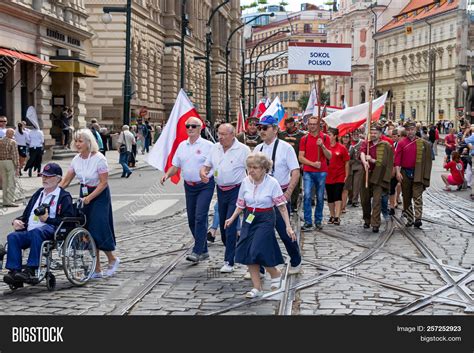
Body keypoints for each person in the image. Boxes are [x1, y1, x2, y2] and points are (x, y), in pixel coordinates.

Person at [224, 153, 296, 298]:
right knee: (247, 252)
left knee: (256, 249)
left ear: (264, 168)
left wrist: (288, 226)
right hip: (249, 218)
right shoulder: (245, 182)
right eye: (249, 167)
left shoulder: (272, 183)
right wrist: (232, 218)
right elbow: (241, 204)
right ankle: (257, 288)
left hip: (266, 218)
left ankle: (275, 273)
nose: (251, 170)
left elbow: (281, 206)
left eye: (255, 167)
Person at [59, 129, 119, 278]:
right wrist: (53, 193)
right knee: (87, 231)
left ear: (88, 142)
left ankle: (112, 259)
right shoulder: (76, 159)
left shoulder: (99, 158)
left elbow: (104, 183)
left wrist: (90, 198)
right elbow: (66, 181)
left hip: (99, 195)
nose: (78, 144)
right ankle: (96, 268)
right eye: (76, 141)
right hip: (84, 193)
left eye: (81, 141)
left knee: (98, 227)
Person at [2, 163, 75, 286]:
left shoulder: (63, 196)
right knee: (13, 236)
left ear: (58, 179)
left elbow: (68, 221)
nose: (44, 179)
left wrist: (48, 220)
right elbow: (26, 215)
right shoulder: (38, 193)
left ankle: (31, 269)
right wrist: (17, 221)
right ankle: (14, 272)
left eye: (48, 176)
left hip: (51, 230)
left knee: (37, 232)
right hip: (30, 230)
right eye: (43, 176)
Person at [161, 117, 214, 263]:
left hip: (205, 185)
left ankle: (197, 251)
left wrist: (206, 173)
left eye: (193, 126)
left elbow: (214, 164)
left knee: (200, 216)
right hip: (189, 186)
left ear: (200, 128)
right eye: (188, 126)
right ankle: (203, 250)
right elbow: (176, 166)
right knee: (191, 220)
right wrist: (167, 174)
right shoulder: (182, 146)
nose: (190, 128)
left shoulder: (208, 145)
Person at [200, 123, 250, 273]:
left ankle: (229, 261)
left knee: (230, 224)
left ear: (232, 135)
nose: (220, 137)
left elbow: (252, 169)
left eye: (223, 134)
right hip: (220, 190)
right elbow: (207, 165)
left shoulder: (243, 150)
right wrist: (203, 172)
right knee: (223, 226)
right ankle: (232, 247)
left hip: (237, 190)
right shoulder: (215, 148)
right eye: (218, 134)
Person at [255, 115, 302, 274]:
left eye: (265, 128)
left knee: (283, 231)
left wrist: (288, 193)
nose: (261, 131)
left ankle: (296, 261)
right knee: (259, 232)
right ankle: (259, 267)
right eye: (260, 127)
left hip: (280, 194)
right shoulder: (258, 149)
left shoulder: (285, 147)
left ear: (275, 130)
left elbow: (295, 171)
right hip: (261, 196)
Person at [394, 122, 432, 228]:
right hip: (405, 173)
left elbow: (428, 159)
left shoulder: (422, 143)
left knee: (417, 195)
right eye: (408, 130)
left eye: (412, 129)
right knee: (406, 197)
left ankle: (418, 218)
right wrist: (397, 172)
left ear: (415, 130)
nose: (411, 131)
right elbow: (397, 159)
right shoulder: (401, 143)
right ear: (406, 131)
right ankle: (410, 218)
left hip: (418, 173)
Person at [299, 116, 332, 231]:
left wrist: (322, 146)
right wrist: (313, 164)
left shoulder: (325, 138)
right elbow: (301, 157)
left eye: (314, 124)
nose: (312, 126)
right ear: (308, 125)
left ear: (319, 125)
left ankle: (318, 220)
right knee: (307, 195)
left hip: (321, 172)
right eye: (310, 124)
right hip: (308, 171)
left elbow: (329, 156)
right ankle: (308, 221)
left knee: (320, 197)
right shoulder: (304, 139)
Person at [360, 124, 394, 233]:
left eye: (375, 133)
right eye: (372, 132)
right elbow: (362, 152)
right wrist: (365, 161)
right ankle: (367, 219)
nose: (373, 135)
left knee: (376, 200)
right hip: (366, 174)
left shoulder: (385, 145)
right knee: (365, 199)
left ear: (380, 134)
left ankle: (375, 223)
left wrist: (372, 160)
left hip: (378, 176)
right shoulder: (366, 143)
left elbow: (387, 162)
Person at [279, 116, 306, 212]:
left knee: (295, 184)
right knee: (284, 183)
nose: (289, 125)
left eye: (290, 123)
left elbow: (304, 149)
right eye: (287, 123)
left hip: (296, 163)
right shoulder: (281, 135)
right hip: (283, 163)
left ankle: (293, 204)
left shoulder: (301, 135)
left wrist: (302, 162)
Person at [325, 128, 350, 226]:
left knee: (337, 194)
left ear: (335, 136)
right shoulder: (325, 147)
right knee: (330, 196)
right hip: (328, 175)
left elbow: (346, 162)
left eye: (330, 134)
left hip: (339, 175)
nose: (328, 136)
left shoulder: (341, 148)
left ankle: (337, 216)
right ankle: (332, 215)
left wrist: (346, 174)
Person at [0, 128, 20, 207]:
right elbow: (15, 155)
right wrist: (18, 166)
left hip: (1, 162)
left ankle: (5, 200)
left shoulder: (0, 141)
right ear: (11, 134)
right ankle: (10, 201)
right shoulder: (13, 142)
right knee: (11, 182)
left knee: (4, 182)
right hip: (9, 162)